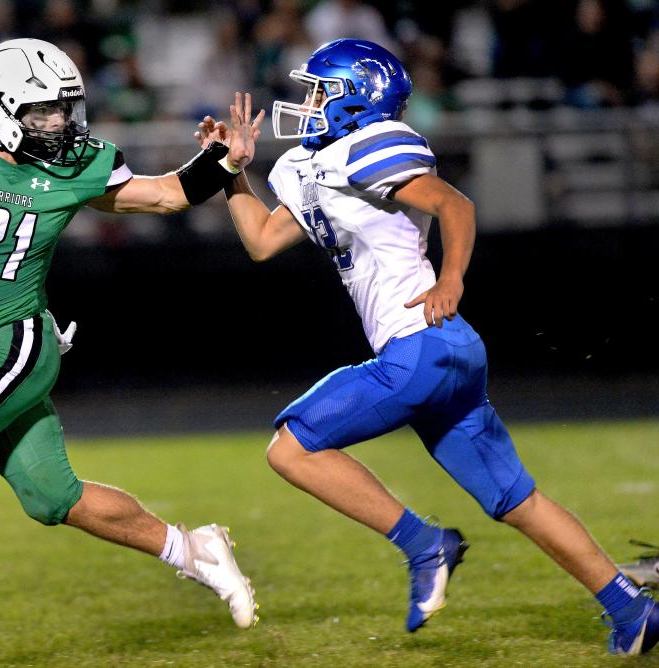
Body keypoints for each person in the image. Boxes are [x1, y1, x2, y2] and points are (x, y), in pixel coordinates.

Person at [198, 39, 658, 655]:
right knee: (516, 500)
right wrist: (232, 172)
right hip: (448, 354)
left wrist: (452, 277)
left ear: (354, 98)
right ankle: (632, 610)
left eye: (319, 91)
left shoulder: (368, 145)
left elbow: (453, 204)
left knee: (291, 449)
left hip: (416, 348)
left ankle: (424, 544)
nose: (307, 103)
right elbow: (259, 240)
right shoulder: (320, 164)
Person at [0, 38, 257, 662]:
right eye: (42, 112)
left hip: (19, 338)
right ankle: (194, 550)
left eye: (64, 109)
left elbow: (165, 194)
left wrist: (225, 163)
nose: (59, 123)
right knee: (53, 498)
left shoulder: (80, 162)